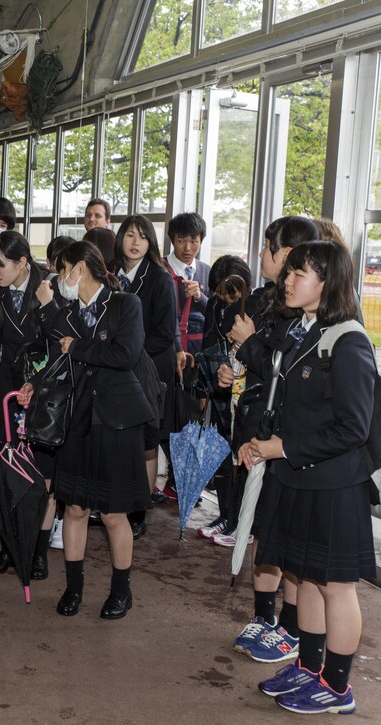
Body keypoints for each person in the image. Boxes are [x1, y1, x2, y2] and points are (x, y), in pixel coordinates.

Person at [236, 240, 375, 715]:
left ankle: (337, 687)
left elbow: (353, 428)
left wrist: (283, 448)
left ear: (327, 282)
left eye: (300, 273)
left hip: (334, 486)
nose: (288, 281)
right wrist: (260, 441)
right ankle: (310, 668)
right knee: (307, 578)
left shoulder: (349, 341)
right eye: (289, 272)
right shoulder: (305, 331)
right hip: (299, 477)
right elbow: (288, 403)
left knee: (336, 586)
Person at [19, 240, 153, 618]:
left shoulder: (126, 304)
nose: (59, 278)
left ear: (80, 268)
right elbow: (55, 358)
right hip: (76, 418)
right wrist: (35, 383)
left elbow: (124, 355)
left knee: (112, 514)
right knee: (74, 507)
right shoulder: (66, 313)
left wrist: (77, 347)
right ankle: (73, 588)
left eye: (62, 270)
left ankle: (121, 591)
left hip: (117, 420)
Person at [221, 215, 319, 664]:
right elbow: (263, 365)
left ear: (289, 254)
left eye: (268, 246)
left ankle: (292, 630)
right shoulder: (269, 300)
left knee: (290, 541)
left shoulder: (318, 319)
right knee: (263, 529)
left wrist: (250, 345)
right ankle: (265, 618)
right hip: (259, 429)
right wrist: (233, 367)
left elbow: (285, 370)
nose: (261, 254)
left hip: (288, 442)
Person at [0, 231, 61, 580]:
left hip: (46, 397)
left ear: (23, 262)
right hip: (8, 394)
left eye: (0, 265)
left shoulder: (49, 289)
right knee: (7, 472)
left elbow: (60, 344)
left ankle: (38, 552)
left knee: (43, 479)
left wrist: (48, 306)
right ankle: (10, 547)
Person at [113, 214, 179, 536]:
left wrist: (126, 352)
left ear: (151, 241)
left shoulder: (159, 278)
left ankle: (140, 509)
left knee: (146, 443)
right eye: (130, 235)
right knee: (120, 441)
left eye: (142, 236)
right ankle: (116, 502)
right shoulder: (111, 274)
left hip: (149, 369)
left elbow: (165, 334)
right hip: (116, 369)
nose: (136, 242)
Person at [196, 255, 253, 547]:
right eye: (221, 293)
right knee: (220, 459)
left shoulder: (252, 309)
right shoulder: (214, 307)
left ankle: (239, 520)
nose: (227, 299)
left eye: (232, 293)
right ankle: (225, 514)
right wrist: (204, 388)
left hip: (242, 393)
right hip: (218, 389)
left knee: (238, 461)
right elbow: (207, 344)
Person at [163, 212, 212, 359]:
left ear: (201, 240)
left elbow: (215, 314)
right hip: (165, 349)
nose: (188, 248)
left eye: (194, 241)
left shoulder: (207, 271)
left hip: (198, 351)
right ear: (172, 240)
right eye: (181, 241)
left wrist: (200, 297)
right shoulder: (158, 268)